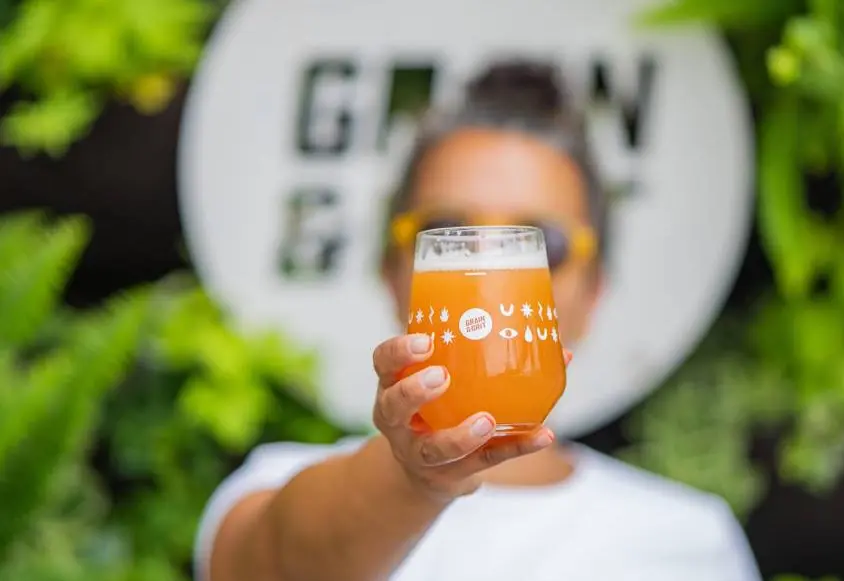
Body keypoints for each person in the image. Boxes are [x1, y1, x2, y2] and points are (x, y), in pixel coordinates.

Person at [195, 61, 761, 581]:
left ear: (593, 294)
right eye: (444, 230)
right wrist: (414, 476)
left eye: (545, 243)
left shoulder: (687, 541)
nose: (488, 277)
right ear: (394, 273)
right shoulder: (275, 484)